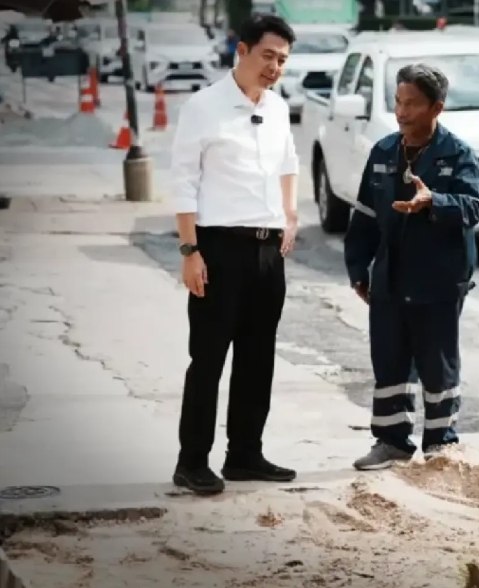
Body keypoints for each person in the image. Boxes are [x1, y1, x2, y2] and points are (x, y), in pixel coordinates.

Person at [169, 15, 299, 495]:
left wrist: (291, 215)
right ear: (241, 51)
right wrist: (190, 250)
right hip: (218, 248)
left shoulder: (280, 107)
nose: (275, 67)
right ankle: (192, 460)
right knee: (208, 358)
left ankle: (245, 453)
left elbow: (289, 162)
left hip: (268, 251)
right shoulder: (203, 107)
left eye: (283, 60)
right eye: (267, 56)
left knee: (257, 357)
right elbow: (183, 180)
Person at [344, 63, 479, 470]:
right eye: (398, 102)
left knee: (436, 364)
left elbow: (474, 207)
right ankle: (391, 442)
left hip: (438, 279)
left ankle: (441, 444)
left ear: (436, 107)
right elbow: (365, 216)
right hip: (390, 277)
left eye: (412, 104)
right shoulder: (384, 151)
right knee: (389, 360)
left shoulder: (456, 154)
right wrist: (358, 268)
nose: (402, 112)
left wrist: (434, 202)